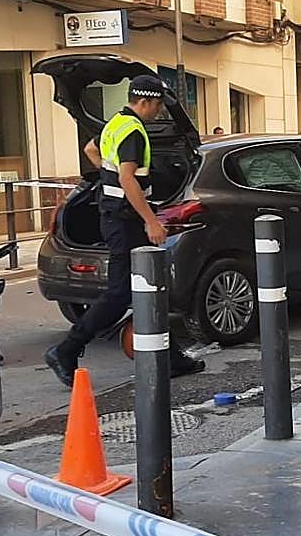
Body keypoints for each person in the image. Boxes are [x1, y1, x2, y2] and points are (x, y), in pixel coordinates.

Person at [44, 75, 205, 387]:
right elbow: (129, 179)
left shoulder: (116, 123)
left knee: (146, 287)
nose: (158, 112)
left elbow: (92, 149)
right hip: (126, 220)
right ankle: (66, 349)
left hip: (115, 216)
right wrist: (151, 220)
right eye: (157, 106)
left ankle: (169, 356)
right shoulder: (133, 131)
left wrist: (107, 180)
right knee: (122, 293)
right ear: (145, 101)